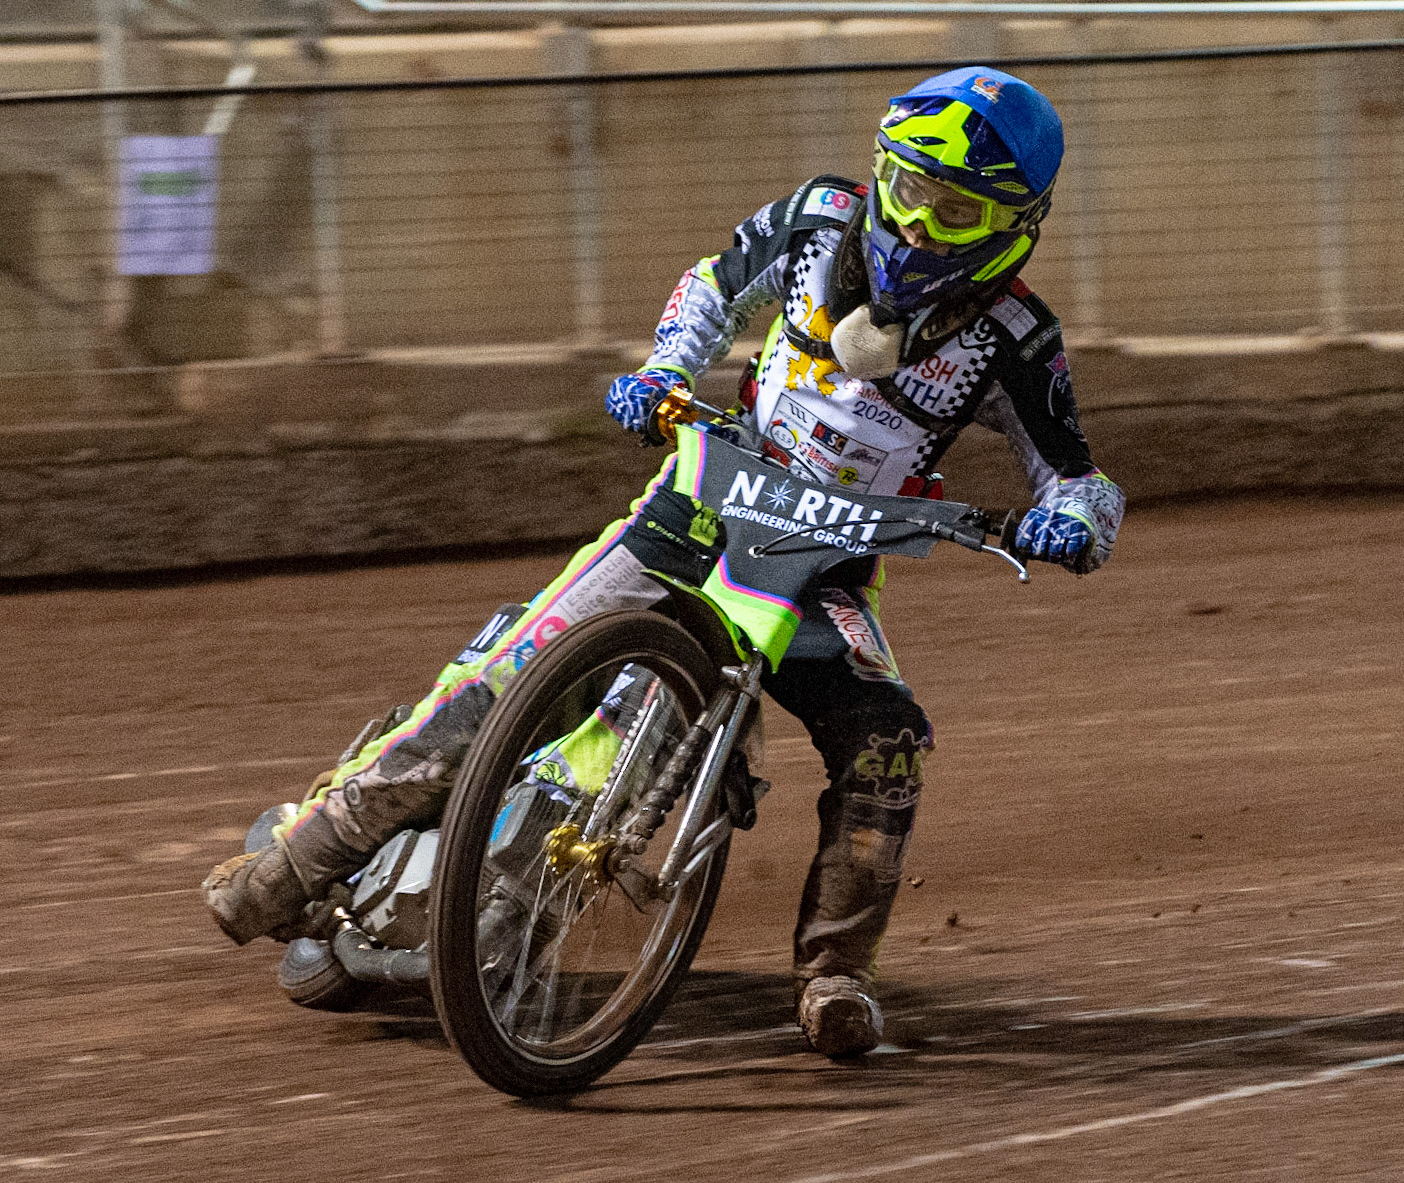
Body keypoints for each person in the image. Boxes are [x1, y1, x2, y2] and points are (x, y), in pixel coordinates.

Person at [204, 65, 1124, 1058]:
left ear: (1011, 225)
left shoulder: (1017, 338)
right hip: (696, 508)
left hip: (823, 574)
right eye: (904, 189)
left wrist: (1068, 521)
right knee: (495, 688)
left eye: (950, 213)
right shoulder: (819, 219)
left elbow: (1073, 473)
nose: (912, 226)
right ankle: (295, 864)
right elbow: (713, 284)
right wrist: (662, 371)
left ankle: (833, 975)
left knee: (888, 741)